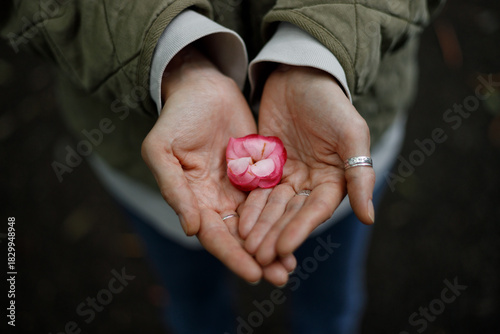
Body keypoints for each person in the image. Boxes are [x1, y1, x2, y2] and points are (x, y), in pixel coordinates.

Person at [1, 1, 445, 333]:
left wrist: (320, 48)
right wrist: (174, 56)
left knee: (330, 297)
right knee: (193, 300)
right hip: (158, 173)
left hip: (338, 154)